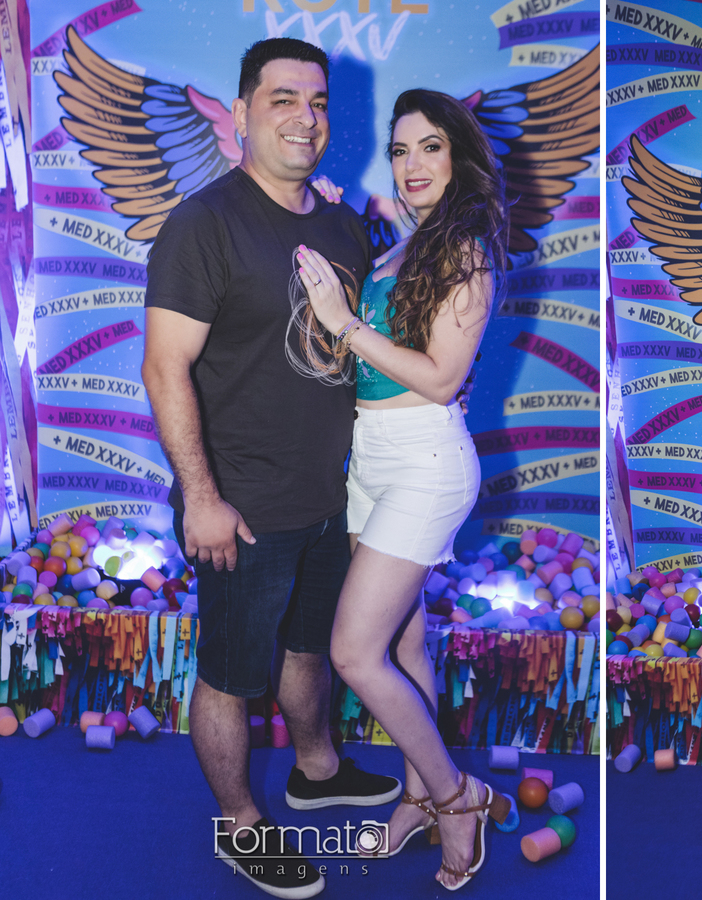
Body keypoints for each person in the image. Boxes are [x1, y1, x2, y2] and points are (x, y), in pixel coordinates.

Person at [143, 38, 400, 899]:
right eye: (283, 98)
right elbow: (164, 368)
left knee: (308, 648)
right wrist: (202, 498)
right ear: (242, 112)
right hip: (241, 506)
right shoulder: (205, 223)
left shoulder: (341, 225)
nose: (305, 117)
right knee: (231, 675)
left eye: (319, 101)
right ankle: (240, 825)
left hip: (328, 496)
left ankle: (316, 770)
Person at [295, 88, 509, 891]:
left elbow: (442, 376)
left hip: (425, 461)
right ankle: (418, 795)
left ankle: (456, 797)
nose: (411, 164)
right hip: (371, 460)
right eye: (400, 149)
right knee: (403, 644)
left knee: (354, 651)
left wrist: (344, 322)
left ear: (459, 158)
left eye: (430, 147)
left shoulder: (467, 251)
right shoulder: (404, 245)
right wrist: (334, 211)